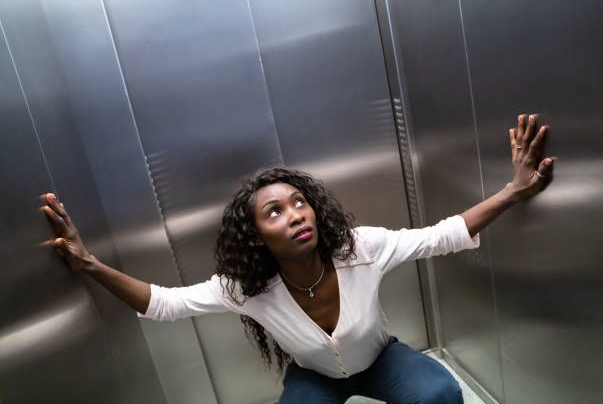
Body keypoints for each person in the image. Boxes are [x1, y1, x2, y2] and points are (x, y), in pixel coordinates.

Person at [43, 114, 553, 403]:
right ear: (257, 237)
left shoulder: (360, 249)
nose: (294, 214)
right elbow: (165, 303)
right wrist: (89, 265)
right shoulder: (244, 286)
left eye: (299, 202)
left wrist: (514, 190)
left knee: (439, 396)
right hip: (315, 380)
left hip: (380, 361)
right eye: (274, 211)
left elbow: (442, 235)